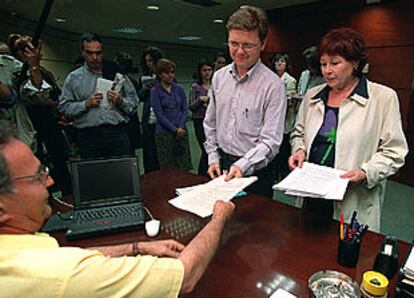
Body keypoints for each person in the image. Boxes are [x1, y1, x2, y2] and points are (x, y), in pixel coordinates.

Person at [0, 119, 235, 297]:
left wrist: (136, 247)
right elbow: (185, 276)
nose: (50, 182)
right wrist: (218, 218)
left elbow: (67, 257)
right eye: (37, 177)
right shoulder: (55, 273)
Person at [289, 27, 408, 232]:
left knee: (345, 254)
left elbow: (394, 151)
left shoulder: (383, 98)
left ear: (355, 63)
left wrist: (365, 172)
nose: (327, 70)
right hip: (311, 193)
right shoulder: (312, 96)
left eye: (335, 63)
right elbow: (298, 133)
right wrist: (299, 150)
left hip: (352, 199)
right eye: (323, 64)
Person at [203, 6, 286, 198]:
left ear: (263, 43)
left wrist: (243, 164)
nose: (239, 51)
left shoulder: (273, 85)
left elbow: (271, 141)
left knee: (254, 226)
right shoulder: (219, 77)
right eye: (234, 43)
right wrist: (213, 157)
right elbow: (211, 123)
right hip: (220, 165)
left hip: (256, 173)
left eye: (248, 45)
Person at [8, 34, 72, 196]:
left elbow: (55, 94)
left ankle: (68, 199)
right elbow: (34, 96)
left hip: (51, 124)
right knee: (38, 170)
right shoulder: (18, 73)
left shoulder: (45, 72)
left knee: (60, 164)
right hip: (32, 127)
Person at [58, 33, 138, 159]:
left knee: (122, 175)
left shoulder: (116, 72)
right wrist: (85, 104)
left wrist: (120, 101)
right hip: (88, 136)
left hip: (116, 133)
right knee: (94, 176)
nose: (95, 57)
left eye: (98, 53)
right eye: (89, 53)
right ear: (82, 53)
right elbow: (63, 107)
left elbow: (134, 103)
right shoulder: (73, 78)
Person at [150, 58, 192, 171]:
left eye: (172, 72)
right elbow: (159, 114)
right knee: (168, 167)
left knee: (183, 165)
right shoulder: (155, 91)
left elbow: (184, 110)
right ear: (160, 74)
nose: (170, 75)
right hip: (164, 133)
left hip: (181, 131)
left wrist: (181, 127)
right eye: (167, 73)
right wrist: (174, 130)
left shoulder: (179, 89)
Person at [271, 53, 297, 180]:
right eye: (277, 61)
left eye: (282, 62)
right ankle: (275, 173)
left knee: (284, 149)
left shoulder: (290, 80)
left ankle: (284, 174)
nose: (279, 64)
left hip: (285, 118)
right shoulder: (271, 78)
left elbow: (290, 101)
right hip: (272, 118)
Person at [138, 46, 164, 173]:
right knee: (149, 152)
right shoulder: (144, 77)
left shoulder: (167, 75)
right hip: (148, 119)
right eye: (147, 61)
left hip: (163, 120)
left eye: (151, 61)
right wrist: (146, 89)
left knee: (163, 152)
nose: (149, 64)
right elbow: (139, 97)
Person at [189, 60, 214, 176]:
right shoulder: (195, 87)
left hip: (214, 121)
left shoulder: (215, 85)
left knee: (213, 149)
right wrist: (200, 100)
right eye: (204, 70)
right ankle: (202, 175)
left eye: (209, 70)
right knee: (205, 149)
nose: (207, 73)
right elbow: (191, 106)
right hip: (199, 120)